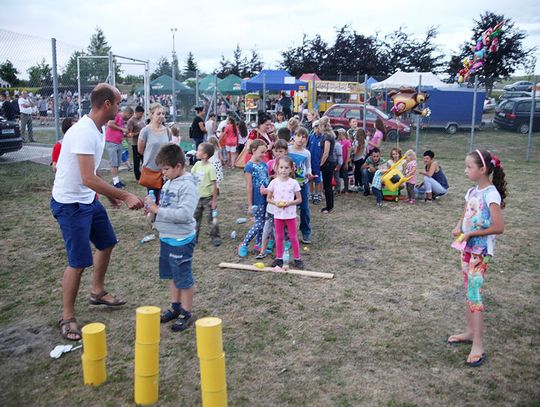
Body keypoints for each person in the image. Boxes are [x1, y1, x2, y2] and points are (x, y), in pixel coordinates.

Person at [50, 83, 144, 341]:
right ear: (107, 104)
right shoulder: (83, 131)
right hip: (70, 204)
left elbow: (90, 174)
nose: (120, 108)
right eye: (118, 103)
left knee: (107, 242)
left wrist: (108, 195)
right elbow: (87, 178)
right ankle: (67, 317)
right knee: (79, 262)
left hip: (87, 199)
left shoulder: (98, 129)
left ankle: (97, 292)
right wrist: (124, 195)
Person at [448, 149, 506, 367]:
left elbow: (498, 227)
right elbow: (466, 213)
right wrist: (458, 227)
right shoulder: (472, 191)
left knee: (474, 294)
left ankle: (478, 345)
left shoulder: (491, 194)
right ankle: (470, 332)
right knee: (469, 292)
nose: (465, 170)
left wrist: (472, 233)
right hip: (467, 248)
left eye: (469, 167)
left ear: (482, 170)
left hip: (480, 253)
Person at [145, 144, 199, 332]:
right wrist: (152, 211)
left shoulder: (187, 186)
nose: (163, 173)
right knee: (172, 275)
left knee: (183, 277)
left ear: (178, 166)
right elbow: (165, 207)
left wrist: (158, 210)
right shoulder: (169, 182)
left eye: (166, 169)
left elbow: (184, 214)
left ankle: (186, 312)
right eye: (162, 169)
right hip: (167, 237)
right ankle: (175, 307)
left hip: (181, 239)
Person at [267, 156, 304, 269]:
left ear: (291, 169)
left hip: (290, 215)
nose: (283, 170)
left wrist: (289, 203)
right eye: (281, 167)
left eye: (286, 168)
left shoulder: (294, 183)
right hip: (278, 215)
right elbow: (268, 199)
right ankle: (279, 258)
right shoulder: (274, 182)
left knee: (293, 236)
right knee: (279, 236)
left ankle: (297, 258)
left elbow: (299, 199)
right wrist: (276, 203)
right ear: (277, 168)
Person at [257, 139, 289, 259]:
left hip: (280, 210)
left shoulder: (288, 181)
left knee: (279, 232)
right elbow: (266, 189)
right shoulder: (272, 177)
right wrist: (265, 190)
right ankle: (262, 251)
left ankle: (280, 253)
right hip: (270, 210)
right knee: (267, 230)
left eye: (281, 151)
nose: (278, 153)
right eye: (276, 151)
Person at [238, 140, 269, 257]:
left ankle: (259, 244)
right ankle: (244, 244)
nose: (264, 154)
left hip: (266, 198)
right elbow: (249, 186)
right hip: (257, 199)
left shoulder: (264, 164)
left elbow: (267, 180)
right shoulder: (249, 167)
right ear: (254, 150)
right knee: (259, 223)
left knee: (264, 222)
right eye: (262, 152)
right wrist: (250, 204)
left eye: (265, 152)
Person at [138, 103, 171, 201]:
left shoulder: (167, 130)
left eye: (163, 113)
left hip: (165, 170)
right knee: (153, 200)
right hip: (151, 170)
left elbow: (168, 147)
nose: (161, 116)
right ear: (151, 115)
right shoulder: (145, 131)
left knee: (164, 199)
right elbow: (140, 149)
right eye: (158, 113)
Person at [191, 142, 222, 247]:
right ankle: (193, 237)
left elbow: (214, 185)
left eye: (199, 150)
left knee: (211, 219)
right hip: (197, 198)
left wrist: (214, 201)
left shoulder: (210, 168)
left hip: (208, 198)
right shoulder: (197, 165)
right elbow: (192, 178)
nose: (196, 152)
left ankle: (215, 237)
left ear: (205, 155)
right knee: (195, 218)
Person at [288, 127, 312, 244]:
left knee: (305, 209)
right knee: (288, 207)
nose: (300, 139)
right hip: (288, 184)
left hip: (302, 184)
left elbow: (308, 166)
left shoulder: (306, 153)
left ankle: (306, 232)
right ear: (294, 136)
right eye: (298, 136)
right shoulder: (288, 150)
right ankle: (287, 233)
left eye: (303, 137)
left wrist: (309, 173)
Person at [105, 107, 133, 188]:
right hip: (112, 142)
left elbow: (119, 131)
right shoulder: (117, 116)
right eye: (130, 116)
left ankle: (117, 180)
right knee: (114, 162)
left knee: (117, 163)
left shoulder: (122, 121)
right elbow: (110, 124)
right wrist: (122, 129)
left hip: (118, 142)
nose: (129, 118)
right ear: (127, 113)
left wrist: (125, 134)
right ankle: (115, 182)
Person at [319, 117, 337, 214]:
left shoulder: (327, 136)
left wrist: (321, 164)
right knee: (327, 185)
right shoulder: (330, 135)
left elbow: (326, 152)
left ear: (322, 125)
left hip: (328, 162)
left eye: (319, 125)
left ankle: (329, 207)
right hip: (331, 161)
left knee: (327, 186)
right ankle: (329, 206)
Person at [126, 105, 145, 181]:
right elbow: (129, 134)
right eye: (140, 114)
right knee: (137, 161)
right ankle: (138, 177)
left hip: (143, 143)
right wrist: (139, 133)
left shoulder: (142, 120)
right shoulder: (131, 121)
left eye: (142, 114)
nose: (141, 115)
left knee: (144, 160)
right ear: (136, 112)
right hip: (136, 144)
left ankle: (145, 175)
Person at [307, 120, 323, 204]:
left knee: (317, 179)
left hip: (318, 162)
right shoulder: (310, 137)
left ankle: (317, 194)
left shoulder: (323, 138)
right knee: (310, 178)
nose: (318, 129)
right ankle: (310, 193)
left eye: (319, 127)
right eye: (316, 127)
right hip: (310, 161)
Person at [351, 128, 367, 192]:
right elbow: (367, 151)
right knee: (360, 172)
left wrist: (352, 151)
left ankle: (356, 185)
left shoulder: (357, 142)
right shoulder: (365, 141)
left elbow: (356, 152)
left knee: (356, 172)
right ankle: (361, 184)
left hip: (357, 159)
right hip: (362, 158)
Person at [337, 129, 352, 193]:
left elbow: (348, 153)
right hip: (339, 161)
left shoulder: (347, 142)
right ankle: (338, 188)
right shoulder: (338, 142)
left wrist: (346, 162)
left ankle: (346, 189)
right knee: (337, 175)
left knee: (345, 175)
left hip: (344, 161)